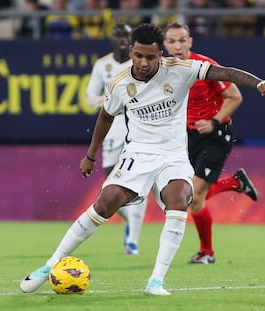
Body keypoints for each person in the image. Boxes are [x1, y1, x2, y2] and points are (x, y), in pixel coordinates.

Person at [19, 23, 265, 296]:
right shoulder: (120, 83)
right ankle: (48, 266)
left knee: (180, 200)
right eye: (138, 56)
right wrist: (90, 155)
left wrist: (257, 82)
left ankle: (156, 281)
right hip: (138, 154)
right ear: (131, 51)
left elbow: (226, 73)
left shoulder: (180, 70)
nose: (143, 62)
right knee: (104, 205)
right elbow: (105, 116)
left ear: (160, 53)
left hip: (173, 155)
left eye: (150, 57)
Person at [163, 22, 259, 265]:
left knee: (192, 196)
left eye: (182, 40)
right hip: (188, 136)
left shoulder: (205, 67)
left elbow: (235, 96)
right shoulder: (163, 71)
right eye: (172, 41)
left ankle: (207, 252)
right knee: (192, 199)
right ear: (164, 45)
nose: (177, 46)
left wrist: (214, 121)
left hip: (216, 133)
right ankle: (235, 183)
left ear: (190, 42)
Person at [85, 23, 147, 255]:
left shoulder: (140, 62)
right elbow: (89, 98)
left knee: (139, 183)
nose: (122, 38)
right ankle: (131, 219)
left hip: (139, 126)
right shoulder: (103, 65)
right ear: (112, 38)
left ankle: (132, 239)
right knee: (110, 184)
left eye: (126, 34)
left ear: (132, 39)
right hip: (112, 126)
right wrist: (110, 101)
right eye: (117, 34)